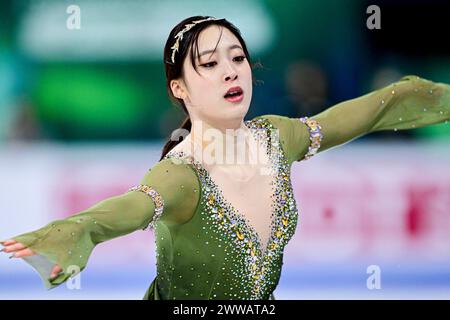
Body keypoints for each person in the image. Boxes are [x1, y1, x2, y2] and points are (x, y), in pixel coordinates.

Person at [1, 15, 449, 300]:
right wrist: (74, 230)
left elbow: (368, 112)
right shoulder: (180, 176)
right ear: (179, 87)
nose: (232, 70)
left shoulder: (277, 137)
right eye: (210, 63)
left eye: (237, 57)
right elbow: (122, 211)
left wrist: (422, 95)